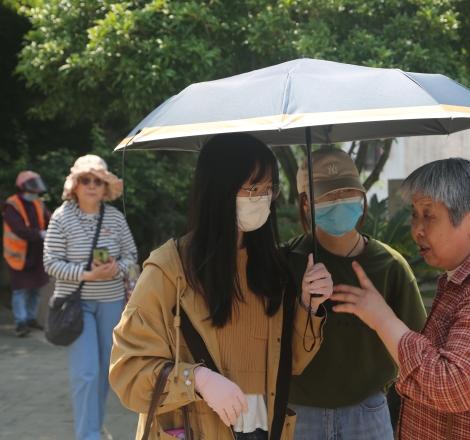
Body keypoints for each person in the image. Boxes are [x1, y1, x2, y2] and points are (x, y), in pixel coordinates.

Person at [109, 133, 331, 440]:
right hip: (196, 430)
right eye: (253, 188)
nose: (263, 197)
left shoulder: (272, 267)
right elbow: (129, 373)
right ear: (219, 189)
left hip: (263, 428)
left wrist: (309, 305)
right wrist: (197, 379)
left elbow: (289, 363)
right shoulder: (168, 269)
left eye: (269, 188)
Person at [331, 158, 470, 440]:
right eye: (415, 214)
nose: (417, 229)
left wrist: (382, 319)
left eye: (429, 215)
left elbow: (453, 387)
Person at [285, 148, 427, 440]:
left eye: (347, 190)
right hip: (298, 415)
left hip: (368, 413)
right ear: (306, 202)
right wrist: (305, 305)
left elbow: (419, 351)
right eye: (327, 194)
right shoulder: (283, 262)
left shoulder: (391, 267)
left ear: (362, 194)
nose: (339, 200)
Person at [43, 155, 137, 440]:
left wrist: (116, 269)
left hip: (111, 302)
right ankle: (88, 435)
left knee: (105, 371)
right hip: (75, 304)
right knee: (86, 372)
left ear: (106, 187)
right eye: (86, 180)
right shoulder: (61, 217)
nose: (92, 185)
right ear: (75, 184)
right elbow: (50, 263)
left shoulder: (115, 218)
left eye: (99, 181)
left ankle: (94, 426)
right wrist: (87, 275)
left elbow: (132, 258)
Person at [2, 171, 51, 336]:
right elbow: (19, 229)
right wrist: (40, 233)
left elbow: (50, 218)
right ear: (21, 188)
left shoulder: (38, 203)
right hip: (18, 255)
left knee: (36, 288)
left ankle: (31, 319)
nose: (34, 193)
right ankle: (20, 322)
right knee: (20, 290)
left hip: (36, 253)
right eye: (31, 191)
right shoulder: (11, 206)